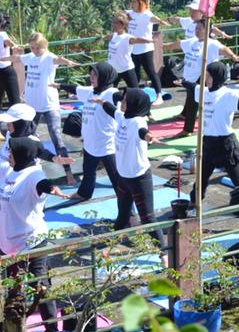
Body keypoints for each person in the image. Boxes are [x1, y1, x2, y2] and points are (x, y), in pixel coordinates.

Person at [0, 135, 75, 332]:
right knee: (14, 290)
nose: (8, 155)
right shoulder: (11, 172)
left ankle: (52, 331)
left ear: (22, 154)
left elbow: (44, 184)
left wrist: (54, 189)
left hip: (32, 242)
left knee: (39, 287)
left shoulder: (34, 174)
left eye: (11, 152)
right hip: (9, 245)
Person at [162, 18, 239, 138]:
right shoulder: (192, 42)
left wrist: (233, 56)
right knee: (192, 101)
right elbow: (177, 44)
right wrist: (163, 46)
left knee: (194, 102)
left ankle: (188, 129)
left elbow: (224, 49)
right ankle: (190, 126)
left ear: (207, 30)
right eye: (196, 28)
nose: (197, 31)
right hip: (190, 79)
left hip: (203, 78)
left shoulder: (212, 43)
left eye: (200, 28)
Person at [107, 88, 164, 247]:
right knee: (123, 215)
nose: (122, 103)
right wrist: (101, 101)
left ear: (134, 104)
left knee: (147, 219)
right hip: (124, 177)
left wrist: (151, 138)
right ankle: (114, 243)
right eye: (123, 100)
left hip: (139, 178)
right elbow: (112, 110)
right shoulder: (123, 117)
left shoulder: (137, 121)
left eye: (125, 100)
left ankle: (164, 253)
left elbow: (143, 132)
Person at [14, 32, 78, 166]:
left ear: (44, 46)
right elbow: (15, 58)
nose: (35, 51)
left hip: (49, 104)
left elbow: (58, 59)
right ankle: (30, 161)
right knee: (28, 134)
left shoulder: (49, 57)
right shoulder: (30, 57)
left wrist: (68, 62)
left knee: (56, 136)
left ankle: (68, 171)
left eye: (38, 47)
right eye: (32, 48)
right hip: (33, 106)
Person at [192, 62, 239, 205]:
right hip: (208, 143)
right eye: (205, 75)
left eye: (209, 76)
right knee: (201, 178)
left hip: (226, 144)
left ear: (217, 77)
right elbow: (192, 86)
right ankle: (194, 202)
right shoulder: (203, 92)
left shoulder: (228, 95)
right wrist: (183, 82)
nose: (206, 79)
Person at [74, 63, 120, 201]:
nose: (91, 78)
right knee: (88, 172)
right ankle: (84, 193)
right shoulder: (90, 91)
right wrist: (57, 86)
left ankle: (129, 212)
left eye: (95, 75)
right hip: (90, 144)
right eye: (91, 75)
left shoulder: (111, 93)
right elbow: (74, 88)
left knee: (117, 180)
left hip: (107, 146)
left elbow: (122, 96)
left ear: (105, 77)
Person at [126, 0, 165, 99]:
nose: (132, 4)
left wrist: (162, 21)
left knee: (151, 72)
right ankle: (135, 95)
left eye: (134, 1)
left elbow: (154, 19)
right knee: (135, 73)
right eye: (131, 1)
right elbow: (119, 15)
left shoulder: (146, 14)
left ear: (141, 2)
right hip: (133, 49)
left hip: (145, 49)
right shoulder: (129, 14)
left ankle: (159, 95)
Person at [107, 11, 138, 88]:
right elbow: (103, 37)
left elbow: (139, 40)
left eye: (117, 23)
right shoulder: (112, 36)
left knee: (135, 91)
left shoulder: (128, 37)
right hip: (113, 70)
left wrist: (149, 40)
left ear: (123, 25)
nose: (114, 25)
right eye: (114, 22)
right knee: (110, 93)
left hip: (126, 68)